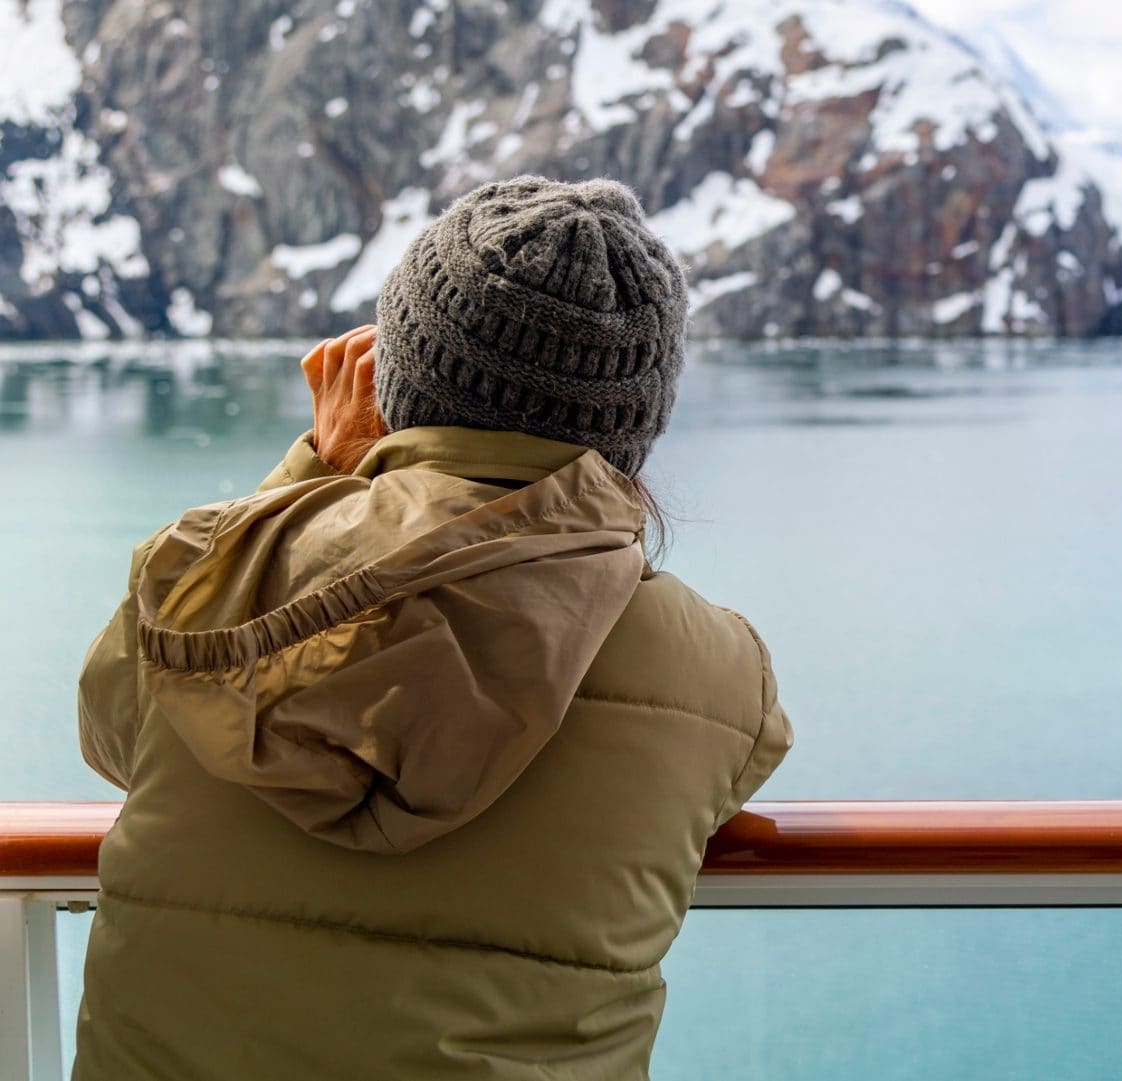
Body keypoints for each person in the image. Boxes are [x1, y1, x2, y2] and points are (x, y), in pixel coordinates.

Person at [70, 176, 792, 1079]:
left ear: (395, 374)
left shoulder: (200, 581)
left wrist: (306, 485)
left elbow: (113, 733)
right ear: (632, 421)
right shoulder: (722, 674)